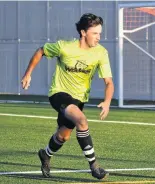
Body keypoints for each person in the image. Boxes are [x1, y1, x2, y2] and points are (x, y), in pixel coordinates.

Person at [21, 13, 114, 180]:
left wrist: (107, 102)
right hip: (59, 93)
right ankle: (94, 166)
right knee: (82, 120)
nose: (99, 37)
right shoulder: (64, 47)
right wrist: (28, 73)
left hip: (79, 99)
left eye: (100, 33)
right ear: (84, 32)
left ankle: (46, 154)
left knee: (63, 136)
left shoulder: (101, 53)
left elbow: (109, 82)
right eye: (95, 33)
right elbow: (41, 51)